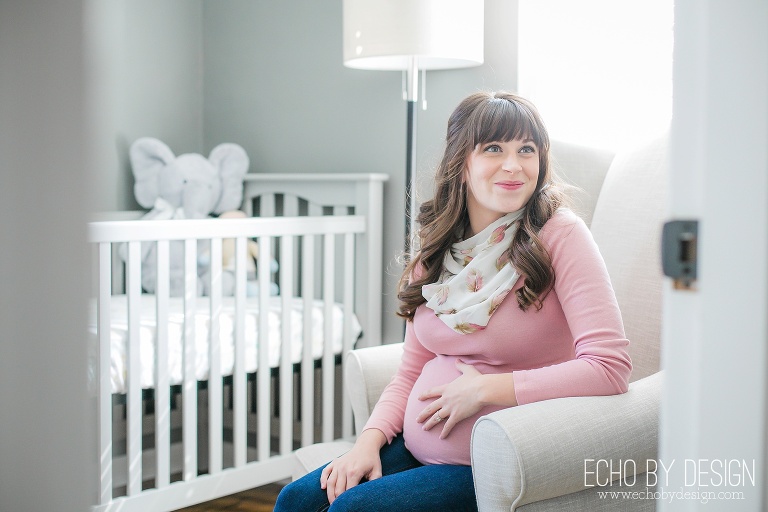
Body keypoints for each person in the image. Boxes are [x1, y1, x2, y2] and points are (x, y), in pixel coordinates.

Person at [274, 91, 632, 511]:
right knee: (296, 500)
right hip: (413, 445)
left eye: (527, 149)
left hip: (496, 462)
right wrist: (367, 443)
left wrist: (485, 389)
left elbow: (610, 367)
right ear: (461, 163)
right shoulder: (440, 248)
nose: (513, 165)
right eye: (494, 148)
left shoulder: (560, 235)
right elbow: (410, 371)